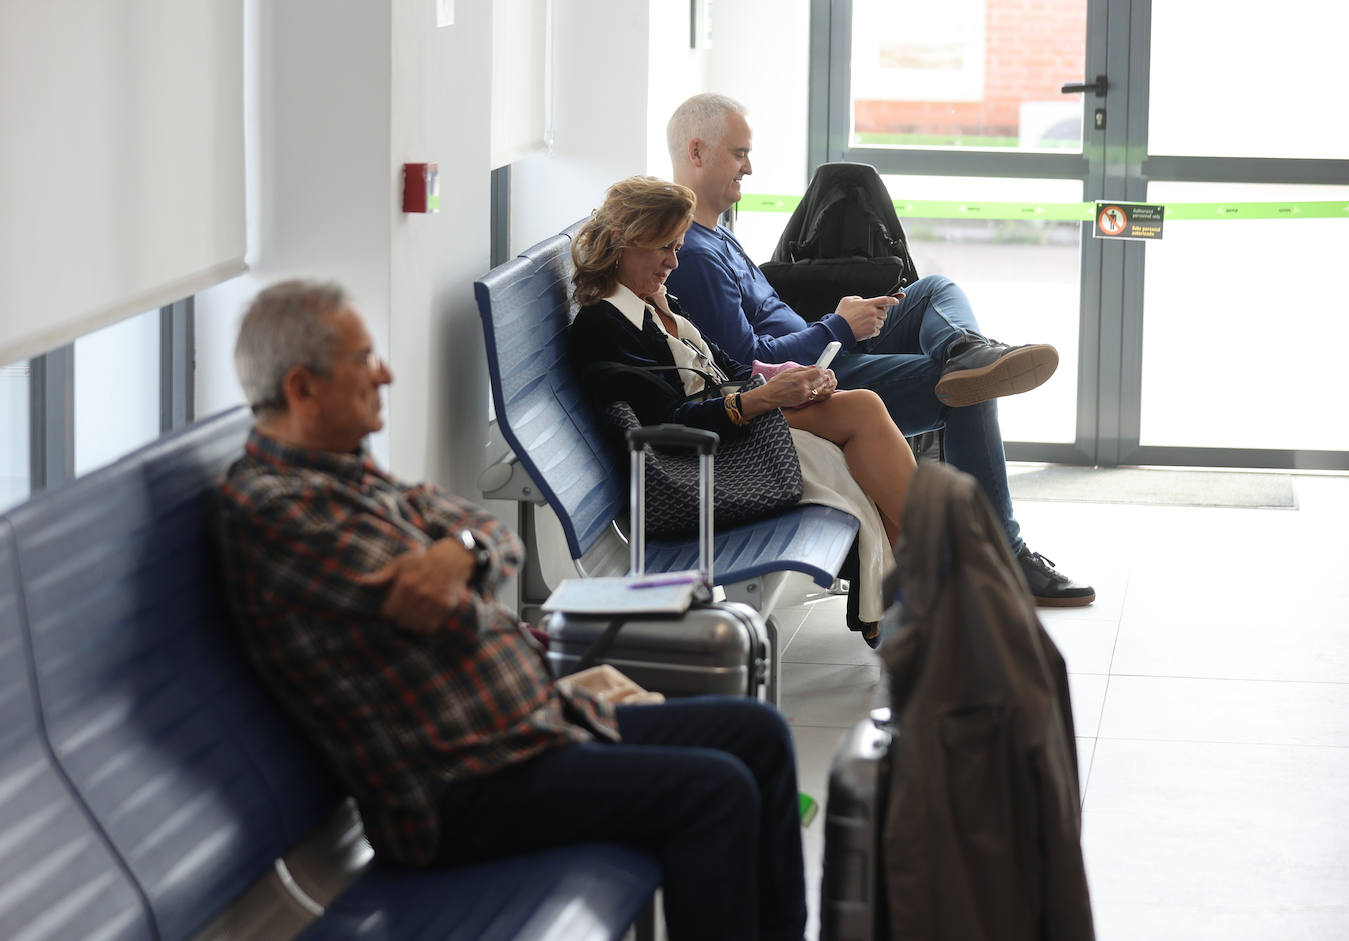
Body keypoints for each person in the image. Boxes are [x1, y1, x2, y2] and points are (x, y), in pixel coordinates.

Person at [216, 279, 806, 941]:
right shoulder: (274, 510)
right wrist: (459, 566)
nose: (384, 373)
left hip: (532, 732)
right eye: (362, 359)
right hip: (460, 787)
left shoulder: (346, 471)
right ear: (302, 388)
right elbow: (433, 605)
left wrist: (461, 552)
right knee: (714, 792)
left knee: (759, 733)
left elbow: (488, 535)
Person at [665, 93, 1095, 607]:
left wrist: (840, 323)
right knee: (966, 393)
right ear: (696, 151)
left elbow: (771, 326)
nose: (749, 167)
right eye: (739, 154)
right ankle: (1007, 551)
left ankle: (967, 350)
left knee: (934, 291)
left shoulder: (718, 234)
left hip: (823, 348)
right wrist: (838, 326)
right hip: (811, 376)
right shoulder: (691, 254)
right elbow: (749, 363)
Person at [567, 176, 917, 638]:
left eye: (676, 247)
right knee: (863, 414)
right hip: (701, 462)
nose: (673, 262)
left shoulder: (652, 302)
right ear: (619, 242)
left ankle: (920, 596)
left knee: (861, 415)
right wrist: (762, 398)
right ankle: (932, 588)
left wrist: (790, 378)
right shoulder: (604, 327)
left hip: (726, 430)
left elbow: (725, 366)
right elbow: (665, 422)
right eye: (663, 249)